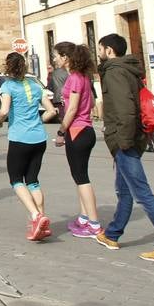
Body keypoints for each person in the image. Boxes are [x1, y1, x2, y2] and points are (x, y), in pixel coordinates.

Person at [94, 33, 154, 263]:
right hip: (133, 136)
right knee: (124, 190)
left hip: (125, 138)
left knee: (142, 194)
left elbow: (125, 108)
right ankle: (112, 234)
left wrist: (121, 141)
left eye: (100, 48)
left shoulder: (115, 71)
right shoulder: (128, 69)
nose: (98, 52)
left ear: (109, 50)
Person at [0, 51, 58, 241]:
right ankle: (41, 221)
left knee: (16, 180)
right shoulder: (33, 85)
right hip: (39, 138)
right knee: (33, 180)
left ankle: (35, 215)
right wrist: (38, 120)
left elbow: (4, 110)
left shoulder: (8, 86)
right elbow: (51, 111)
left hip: (19, 138)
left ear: (8, 67)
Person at [54, 42, 102, 238]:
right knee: (79, 175)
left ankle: (94, 224)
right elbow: (90, 102)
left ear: (65, 57)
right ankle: (84, 217)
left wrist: (61, 131)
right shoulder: (83, 77)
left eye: (56, 55)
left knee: (82, 178)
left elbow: (72, 109)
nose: (54, 59)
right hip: (86, 129)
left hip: (77, 130)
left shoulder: (74, 78)